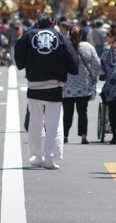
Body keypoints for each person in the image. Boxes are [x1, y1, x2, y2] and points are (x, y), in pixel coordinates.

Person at [14, 12, 79, 170]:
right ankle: (50, 157)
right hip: (54, 85)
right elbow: (73, 61)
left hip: (35, 84)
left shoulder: (29, 35)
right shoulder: (60, 37)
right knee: (53, 122)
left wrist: (27, 64)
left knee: (35, 121)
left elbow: (19, 57)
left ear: (38, 23)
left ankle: (36, 155)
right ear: (53, 23)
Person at [62, 24, 101, 145]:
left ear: (69, 34)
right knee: (82, 112)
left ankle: (65, 135)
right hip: (84, 85)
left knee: (67, 112)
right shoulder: (88, 47)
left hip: (67, 86)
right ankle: (83, 136)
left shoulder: (64, 46)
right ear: (81, 34)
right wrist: (94, 75)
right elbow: (97, 64)